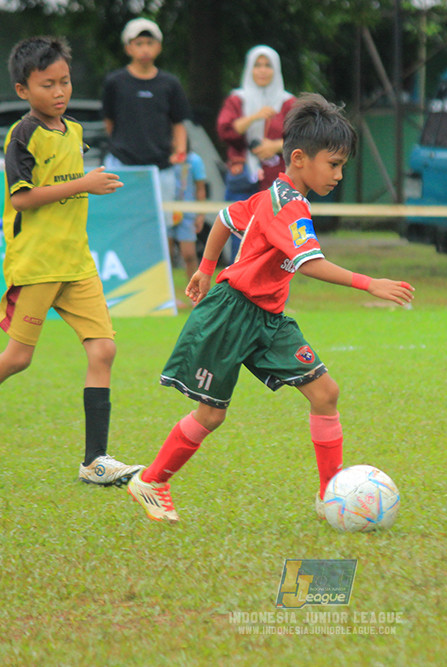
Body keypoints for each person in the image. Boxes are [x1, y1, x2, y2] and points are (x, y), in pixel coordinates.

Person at [127, 93, 415, 524]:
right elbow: (309, 263)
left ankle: (329, 495)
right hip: (230, 314)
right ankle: (151, 481)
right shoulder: (289, 205)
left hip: (268, 319)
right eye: (333, 164)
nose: (338, 174)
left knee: (325, 393)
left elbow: (225, 218)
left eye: (341, 166)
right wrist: (369, 282)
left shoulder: (273, 195)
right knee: (211, 414)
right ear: (299, 158)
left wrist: (207, 268)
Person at [0, 36, 144, 487]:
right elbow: (23, 200)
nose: (59, 91)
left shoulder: (73, 131)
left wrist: (83, 184)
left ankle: (94, 461)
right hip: (36, 264)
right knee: (18, 358)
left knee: (104, 349)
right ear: (23, 90)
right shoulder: (22, 135)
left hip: (76, 262)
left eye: (64, 82)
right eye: (47, 84)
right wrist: (84, 183)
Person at [101, 18, 192, 205]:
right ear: (128, 48)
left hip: (162, 168)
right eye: (139, 43)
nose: (145, 49)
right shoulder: (114, 82)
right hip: (121, 164)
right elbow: (109, 122)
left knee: (164, 225)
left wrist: (180, 151)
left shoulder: (171, 84)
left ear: (159, 47)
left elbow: (178, 123)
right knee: (122, 219)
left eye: (150, 43)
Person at [217, 45, 295, 201]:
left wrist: (275, 146)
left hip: (277, 178)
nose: (262, 70)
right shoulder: (237, 99)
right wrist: (255, 116)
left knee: (274, 223)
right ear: (249, 69)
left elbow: (303, 139)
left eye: (268, 65)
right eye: (257, 65)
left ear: (276, 70)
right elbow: (225, 130)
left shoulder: (288, 103)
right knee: (239, 224)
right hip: (242, 176)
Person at [170, 143, 207, 284]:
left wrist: (201, 214)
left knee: (189, 255)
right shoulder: (163, 159)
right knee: (167, 256)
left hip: (187, 212)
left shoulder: (194, 160)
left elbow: (200, 188)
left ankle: (195, 291)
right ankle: (169, 295)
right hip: (167, 211)